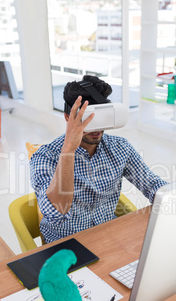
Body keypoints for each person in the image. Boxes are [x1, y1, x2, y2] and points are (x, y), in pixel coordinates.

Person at [30, 75, 168, 244]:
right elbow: (57, 212)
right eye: (86, 118)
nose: (96, 127)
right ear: (68, 118)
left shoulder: (119, 147)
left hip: (107, 236)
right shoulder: (45, 156)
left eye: (99, 117)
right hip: (64, 243)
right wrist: (68, 150)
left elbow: (152, 184)